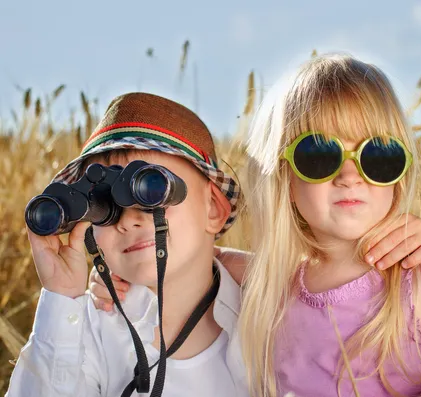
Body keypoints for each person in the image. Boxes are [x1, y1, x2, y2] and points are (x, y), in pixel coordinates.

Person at [238, 53, 421, 397]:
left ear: (399, 175)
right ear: (284, 176)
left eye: (377, 156)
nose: (350, 176)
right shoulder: (274, 287)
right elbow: (211, 262)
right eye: (319, 155)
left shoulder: (416, 285)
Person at [5, 92, 247, 397]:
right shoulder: (85, 330)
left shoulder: (268, 313)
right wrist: (62, 297)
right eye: (105, 206)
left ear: (213, 208)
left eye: (150, 189)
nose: (127, 221)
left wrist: (269, 275)